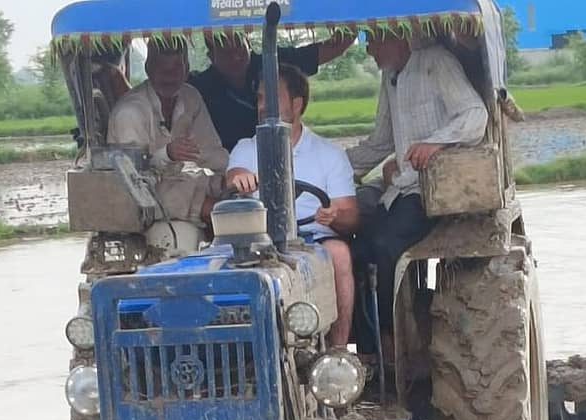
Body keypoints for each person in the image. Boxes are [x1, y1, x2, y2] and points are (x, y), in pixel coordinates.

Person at [347, 34, 489, 360]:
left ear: (397, 37)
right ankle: (366, 353)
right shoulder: (390, 77)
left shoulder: (436, 61)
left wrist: (435, 143)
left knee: (385, 245)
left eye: (374, 42)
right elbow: (381, 142)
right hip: (399, 190)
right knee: (353, 250)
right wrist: (330, 167)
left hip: (432, 190)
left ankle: (391, 340)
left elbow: (474, 115)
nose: (368, 50)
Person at [226, 65, 358, 348]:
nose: (262, 106)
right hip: (256, 240)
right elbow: (234, 175)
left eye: (270, 99)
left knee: (340, 253)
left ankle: (337, 351)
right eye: (260, 99)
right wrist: (241, 179)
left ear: (297, 105)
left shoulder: (330, 154)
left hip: (313, 237)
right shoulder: (246, 148)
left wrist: (334, 215)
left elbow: (350, 214)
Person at [108, 40, 228, 228]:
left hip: (177, 180)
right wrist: (167, 154)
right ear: (148, 68)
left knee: (227, 187)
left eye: (176, 67)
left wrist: (234, 173)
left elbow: (211, 152)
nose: (169, 75)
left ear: (187, 68)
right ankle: (226, 223)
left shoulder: (191, 97)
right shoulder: (130, 112)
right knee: (198, 199)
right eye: (161, 67)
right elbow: (134, 177)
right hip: (140, 195)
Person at [191, 31, 355, 151]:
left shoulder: (272, 62)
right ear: (211, 56)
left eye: (239, 49)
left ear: (248, 44)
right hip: (232, 162)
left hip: (284, 150)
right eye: (226, 53)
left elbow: (330, 49)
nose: (235, 57)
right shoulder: (202, 85)